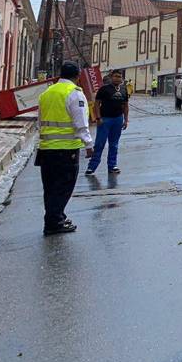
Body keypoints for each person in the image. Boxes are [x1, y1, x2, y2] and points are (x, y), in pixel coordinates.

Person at [36, 62, 93, 236]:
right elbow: (81, 123)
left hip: (46, 148)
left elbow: (39, 122)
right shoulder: (75, 94)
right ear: (77, 76)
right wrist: (89, 144)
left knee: (50, 187)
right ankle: (54, 223)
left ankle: (55, 216)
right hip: (66, 150)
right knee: (63, 187)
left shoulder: (47, 93)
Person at [87, 69, 129, 176]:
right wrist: (98, 118)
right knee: (100, 144)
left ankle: (112, 166)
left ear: (122, 78)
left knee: (114, 144)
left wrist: (126, 120)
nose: (117, 78)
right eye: (115, 76)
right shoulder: (104, 89)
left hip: (118, 119)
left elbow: (125, 106)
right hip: (105, 120)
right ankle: (92, 167)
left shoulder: (124, 90)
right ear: (111, 77)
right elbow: (97, 104)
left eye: (119, 77)